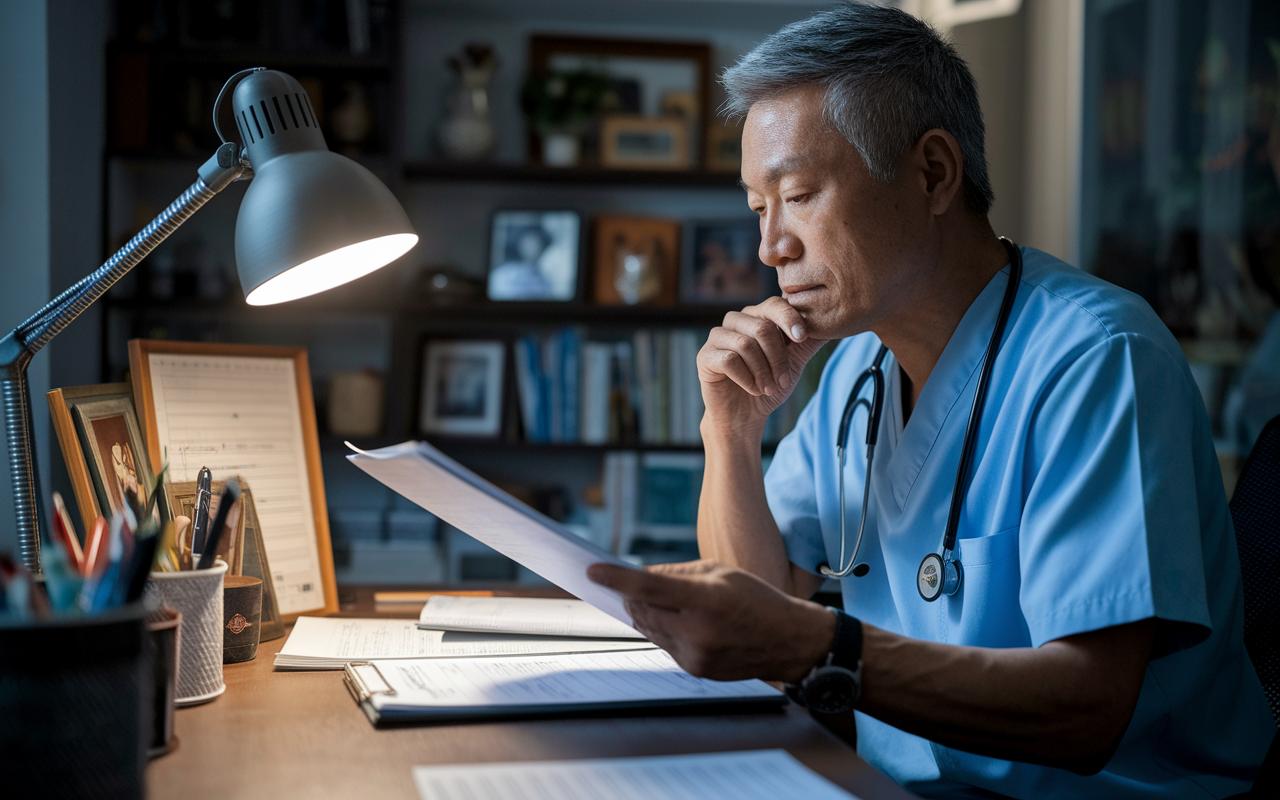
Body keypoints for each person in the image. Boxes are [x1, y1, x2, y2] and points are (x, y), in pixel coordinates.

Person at [587, 5, 1274, 798]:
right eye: (757, 207)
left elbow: (1087, 712)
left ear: (933, 174)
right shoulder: (855, 373)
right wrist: (731, 431)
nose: (771, 246)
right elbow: (763, 616)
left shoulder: (1095, 358)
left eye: (799, 194)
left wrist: (822, 648)